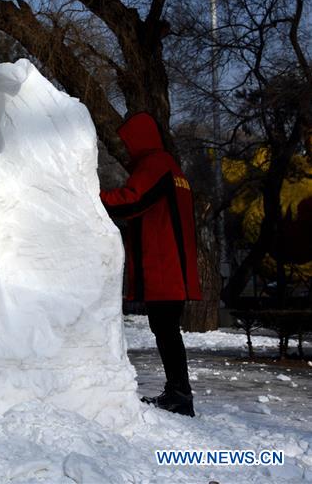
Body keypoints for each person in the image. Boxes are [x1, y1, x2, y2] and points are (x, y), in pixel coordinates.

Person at [100, 112, 201, 417]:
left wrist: (93, 197)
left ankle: (180, 395)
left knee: (166, 330)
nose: (127, 148)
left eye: (129, 141)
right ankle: (179, 392)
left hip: (164, 265)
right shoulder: (171, 167)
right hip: (173, 265)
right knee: (167, 330)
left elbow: (132, 199)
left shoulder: (155, 165)